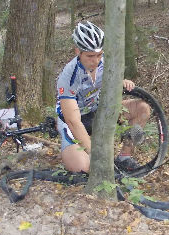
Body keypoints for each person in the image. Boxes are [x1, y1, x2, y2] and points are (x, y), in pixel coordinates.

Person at [55, 21, 150, 173]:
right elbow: (73, 121)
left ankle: (124, 157)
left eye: (99, 54)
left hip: (97, 112)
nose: (96, 60)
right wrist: (95, 153)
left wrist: (123, 82)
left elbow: (112, 81)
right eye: (90, 56)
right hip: (73, 121)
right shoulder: (69, 76)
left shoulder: (104, 63)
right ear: (77, 51)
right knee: (84, 167)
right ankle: (75, 151)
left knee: (142, 108)